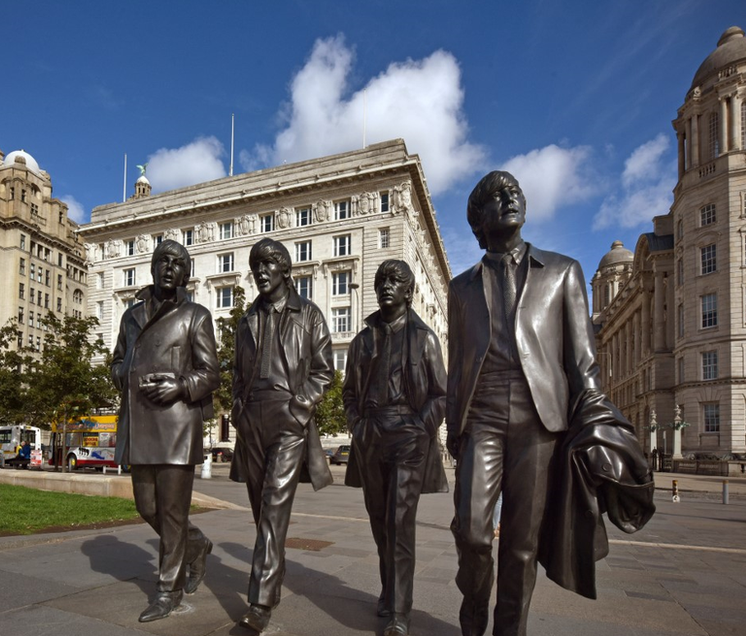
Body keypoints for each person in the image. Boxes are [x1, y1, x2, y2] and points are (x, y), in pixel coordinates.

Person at [446, 171, 654, 636]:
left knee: (522, 545)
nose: (510, 198)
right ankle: (473, 609)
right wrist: (454, 432)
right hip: (479, 418)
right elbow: (457, 366)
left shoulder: (563, 271)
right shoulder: (460, 289)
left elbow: (582, 363)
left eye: (514, 191)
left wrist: (601, 426)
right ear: (478, 218)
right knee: (475, 534)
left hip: (539, 421)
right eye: (496, 196)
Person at [111, 240, 220, 623]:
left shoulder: (196, 315)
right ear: (153, 268)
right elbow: (118, 361)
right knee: (147, 507)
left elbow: (211, 373)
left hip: (176, 423)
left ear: (186, 273)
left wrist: (178, 386)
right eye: (163, 261)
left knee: (172, 513)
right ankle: (197, 544)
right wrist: (126, 374)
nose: (169, 268)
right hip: (140, 421)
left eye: (178, 263)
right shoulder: (131, 316)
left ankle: (167, 590)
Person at [230, 238, 334, 633]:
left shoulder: (309, 314)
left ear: (285, 270)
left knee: (274, 506)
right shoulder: (246, 320)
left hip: (289, 418)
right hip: (251, 419)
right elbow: (237, 375)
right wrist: (239, 411)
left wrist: (300, 407)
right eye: (256, 264)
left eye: (268, 264)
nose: (260, 271)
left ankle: (259, 602)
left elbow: (323, 370)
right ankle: (274, 573)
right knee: (262, 510)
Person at [343, 259, 448, 636]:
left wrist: (420, 427)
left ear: (409, 291)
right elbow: (349, 394)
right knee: (379, 522)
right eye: (382, 280)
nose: (387, 286)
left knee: (400, 522)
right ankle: (390, 587)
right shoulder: (363, 339)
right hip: (371, 435)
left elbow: (440, 394)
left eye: (396, 281)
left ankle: (400, 612)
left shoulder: (425, 339)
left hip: (408, 434)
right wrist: (357, 426)